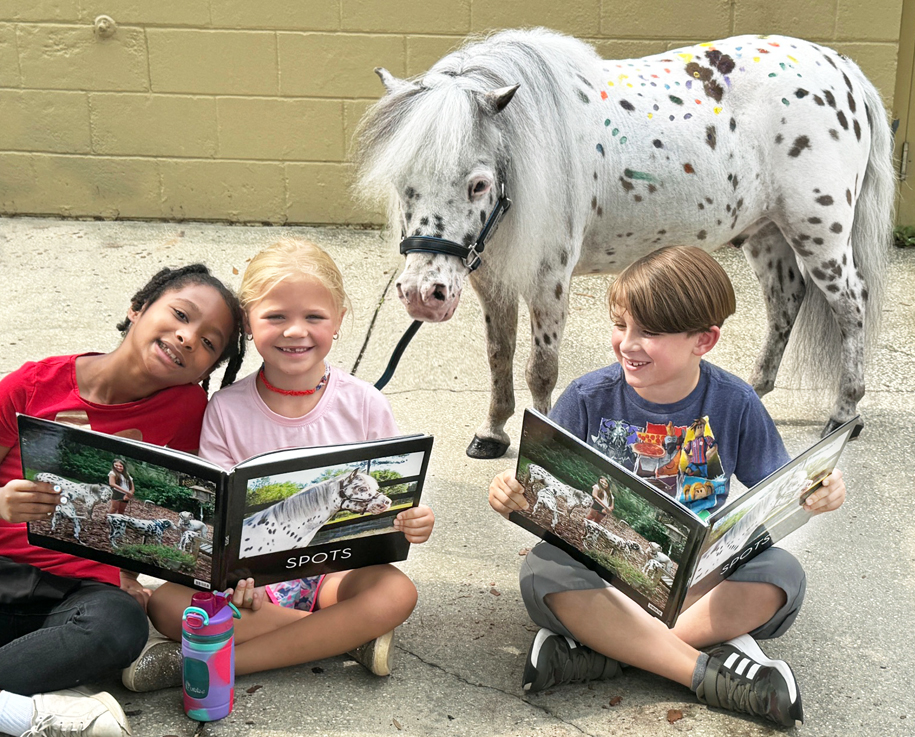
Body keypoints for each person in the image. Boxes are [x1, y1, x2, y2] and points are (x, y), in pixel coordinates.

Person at [488, 246, 847, 728]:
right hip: (606, 578)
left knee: (781, 576)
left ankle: (610, 651)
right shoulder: (586, 398)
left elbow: (785, 486)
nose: (627, 344)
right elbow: (541, 494)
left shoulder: (735, 402)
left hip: (698, 585)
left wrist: (823, 490)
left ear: (704, 340)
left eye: (650, 333)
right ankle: (702, 672)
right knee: (543, 572)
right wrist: (513, 496)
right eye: (621, 325)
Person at [126, 239, 435, 692]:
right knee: (167, 605)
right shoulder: (226, 410)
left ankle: (208, 666)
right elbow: (218, 518)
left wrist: (415, 520)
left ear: (339, 321)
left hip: (335, 577)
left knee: (396, 593)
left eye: (314, 317)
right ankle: (346, 639)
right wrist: (231, 580)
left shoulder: (365, 405)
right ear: (248, 323)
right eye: (275, 317)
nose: (296, 332)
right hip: (252, 589)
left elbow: (390, 512)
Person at [0, 264, 246, 737]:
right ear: (137, 309)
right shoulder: (34, 385)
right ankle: (25, 713)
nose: (189, 337)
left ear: (208, 369)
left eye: (211, 343)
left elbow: (171, 505)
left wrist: (127, 574)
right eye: (180, 314)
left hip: (77, 595)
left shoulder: (189, 412)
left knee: (122, 626)